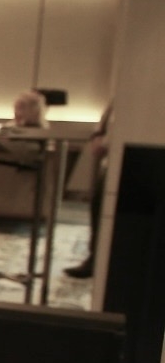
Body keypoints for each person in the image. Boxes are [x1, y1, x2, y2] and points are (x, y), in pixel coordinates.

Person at [66, 103, 111, 279]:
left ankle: (102, 263)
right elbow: (103, 124)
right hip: (108, 164)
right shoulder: (116, 101)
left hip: (122, 161)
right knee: (98, 213)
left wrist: (104, 141)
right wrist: (98, 137)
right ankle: (94, 259)